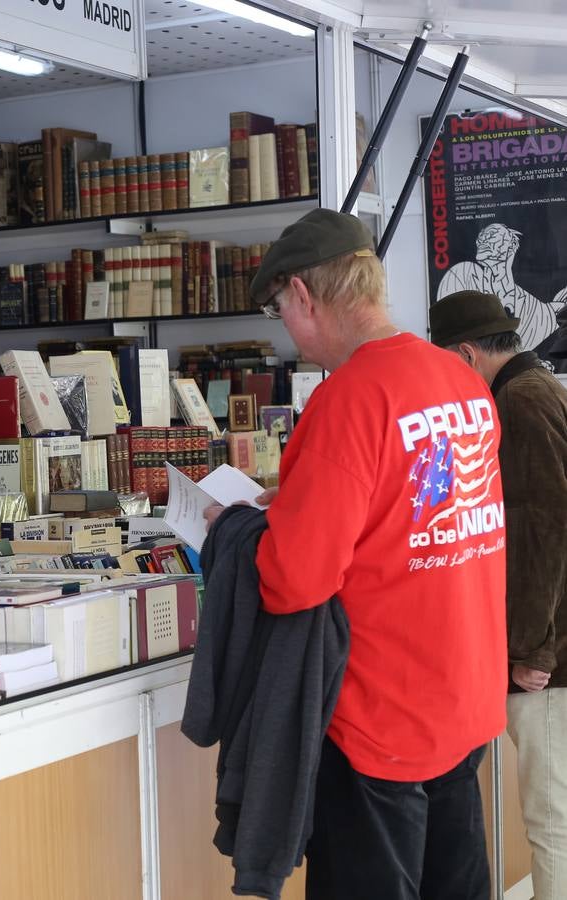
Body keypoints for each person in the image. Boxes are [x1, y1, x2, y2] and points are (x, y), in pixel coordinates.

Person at [205, 209, 508, 899]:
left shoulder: (348, 401)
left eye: (280, 309)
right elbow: (421, 512)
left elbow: (293, 582)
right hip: (461, 703)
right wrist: (297, 505)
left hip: (378, 721)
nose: (288, 328)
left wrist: (241, 529)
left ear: (304, 296)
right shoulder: (462, 381)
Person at [430, 290, 567, 900]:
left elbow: (547, 528)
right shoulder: (533, 390)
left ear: (464, 353)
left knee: (551, 819)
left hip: (549, 659)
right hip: (548, 646)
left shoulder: (519, 402)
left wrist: (534, 650)